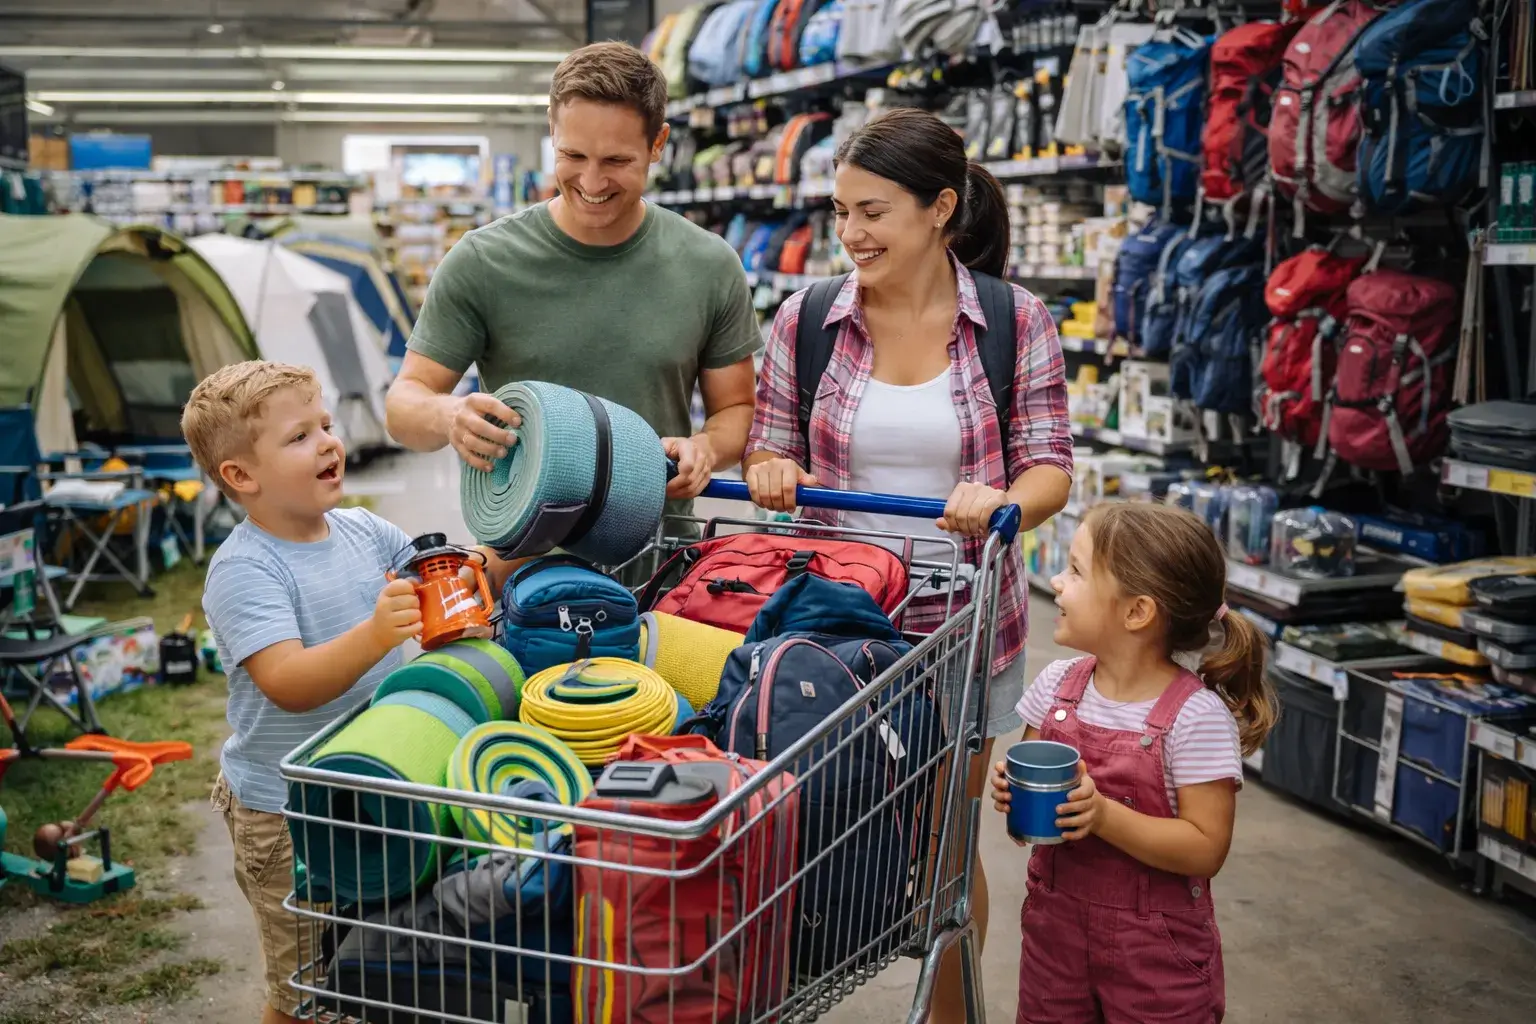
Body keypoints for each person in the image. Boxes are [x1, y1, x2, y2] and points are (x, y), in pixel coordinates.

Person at [741, 106, 1073, 1022]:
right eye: (841, 211)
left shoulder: (1014, 320)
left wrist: (1004, 501)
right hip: (836, 629)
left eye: (873, 211)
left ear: (941, 208)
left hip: (962, 631)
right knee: (819, 830)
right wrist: (770, 470)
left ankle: (946, 1013)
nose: (850, 234)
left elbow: (1049, 461)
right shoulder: (805, 319)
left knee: (941, 843)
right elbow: (769, 448)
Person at [183, 361, 517, 1024]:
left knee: (371, 965)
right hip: (288, 814)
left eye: (328, 425)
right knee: (305, 984)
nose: (330, 442)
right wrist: (373, 636)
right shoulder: (246, 568)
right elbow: (287, 683)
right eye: (300, 436)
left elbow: (438, 588)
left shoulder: (366, 531)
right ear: (241, 477)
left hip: (374, 788)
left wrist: (499, 557)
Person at [384, 41, 760, 512]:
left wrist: (705, 448)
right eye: (573, 155)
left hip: (662, 556)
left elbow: (735, 410)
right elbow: (403, 405)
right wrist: (448, 414)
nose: (592, 182)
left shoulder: (709, 264)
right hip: (519, 564)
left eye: (617, 161)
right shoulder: (482, 261)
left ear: (658, 143)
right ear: (552, 130)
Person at [991, 503, 1277, 1023]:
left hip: (1156, 960)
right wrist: (1013, 797)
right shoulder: (1056, 686)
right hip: (1054, 941)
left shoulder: (1195, 717)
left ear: (1136, 612)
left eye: (1075, 570)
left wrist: (1102, 816)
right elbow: (1029, 816)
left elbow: (1205, 848)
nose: (1056, 579)